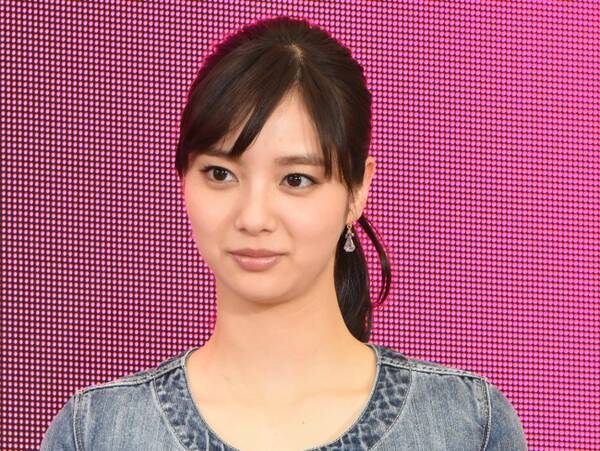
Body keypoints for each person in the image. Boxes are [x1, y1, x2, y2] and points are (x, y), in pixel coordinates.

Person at [40, 16, 527, 450]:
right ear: (183, 178)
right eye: (220, 174)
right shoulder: (97, 430)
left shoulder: (465, 424)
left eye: (296, 179)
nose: (253, 217)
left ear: (357, 191)